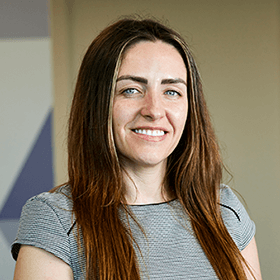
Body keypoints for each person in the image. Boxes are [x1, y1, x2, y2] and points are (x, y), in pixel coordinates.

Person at [12, 18, 262, 280]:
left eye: (172, 91)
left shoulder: (224, 211)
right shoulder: (56, 220)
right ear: (97, 105)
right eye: (131, 90)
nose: (154, 110)